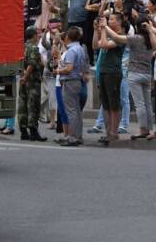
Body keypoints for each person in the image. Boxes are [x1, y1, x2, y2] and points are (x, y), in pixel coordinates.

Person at [112, 9, 156, 140]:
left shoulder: (135, 39)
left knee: (140, 104)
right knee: (147, 104)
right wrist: (150, 29)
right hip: (147, 74)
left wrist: (104, 28)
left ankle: (143, 130)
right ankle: (149, 129)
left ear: (137, 27)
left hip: (134, 74)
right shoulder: (150, 39)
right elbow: (154, 45)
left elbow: (116, 38)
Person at [92, 12, 126, 145]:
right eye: (109, 19)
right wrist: (96, 30)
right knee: (105, 104)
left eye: (112, 19)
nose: (109, 21)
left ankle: (114, 133)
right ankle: (108, 132)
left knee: (114, 105)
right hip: (103, 71)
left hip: (113, 72)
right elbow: (95, 45)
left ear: (119, 22)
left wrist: (104, 28)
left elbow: (105, 44)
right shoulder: (108, 32)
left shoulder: (121, 36)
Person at [54, 26, 89, 146]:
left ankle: (73, 137)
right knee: (77, 111)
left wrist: (58, 71)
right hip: (78, 81)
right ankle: (78, 136)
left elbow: (69, 68)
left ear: (68, 37)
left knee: (71, 111)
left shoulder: (71, 51)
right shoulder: (80, 49)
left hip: (70, 81)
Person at [19, 27, 47, 141]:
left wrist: (22, 77)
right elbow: (31, 64)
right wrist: (26, 77)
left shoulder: (22, 47)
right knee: (33, 106)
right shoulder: (33, 48)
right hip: (32, 81)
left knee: (22, 105)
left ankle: (23, 131)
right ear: (34, 36)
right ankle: (33, 131)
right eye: (37, 34)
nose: (38, 36)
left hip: (22, 80)